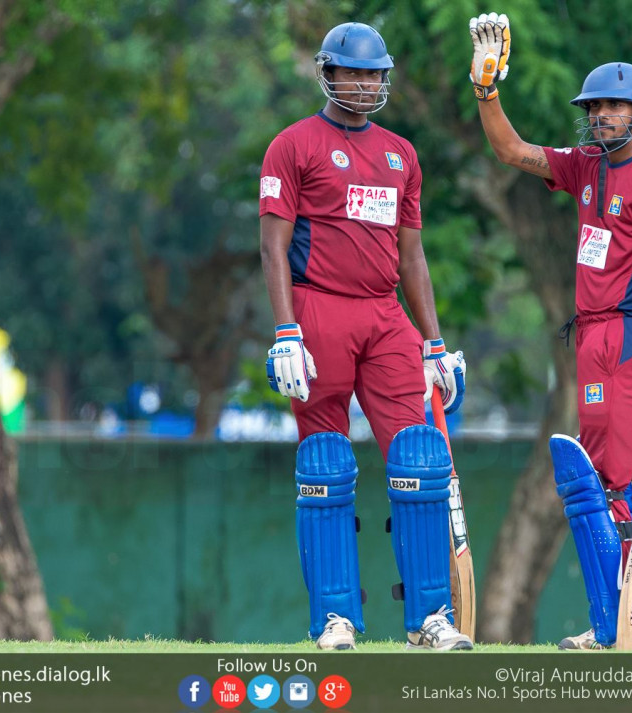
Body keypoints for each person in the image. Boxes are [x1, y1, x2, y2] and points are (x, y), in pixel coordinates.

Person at [467, 13, 632, 650]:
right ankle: (617, 622)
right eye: (595, 105)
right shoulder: (583, 167)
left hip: (629, 338)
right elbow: (510, 151)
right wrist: (486, 90)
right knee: (604, 482)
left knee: (613, 473)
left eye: (614, 105)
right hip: (588, 337)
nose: (601, 114)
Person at [259, 21, 472, 652]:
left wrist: (433, 341)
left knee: (421, 459)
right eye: (354, 71)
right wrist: (285, 330)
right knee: (324, 464)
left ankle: (429, 618)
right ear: (327, 73)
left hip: (385, 316)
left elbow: (412, 257)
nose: (366, 82)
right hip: (318, 309)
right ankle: (335, 618)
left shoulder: (402, 153)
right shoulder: (292, 146)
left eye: (376, 72)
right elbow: (272, 245)